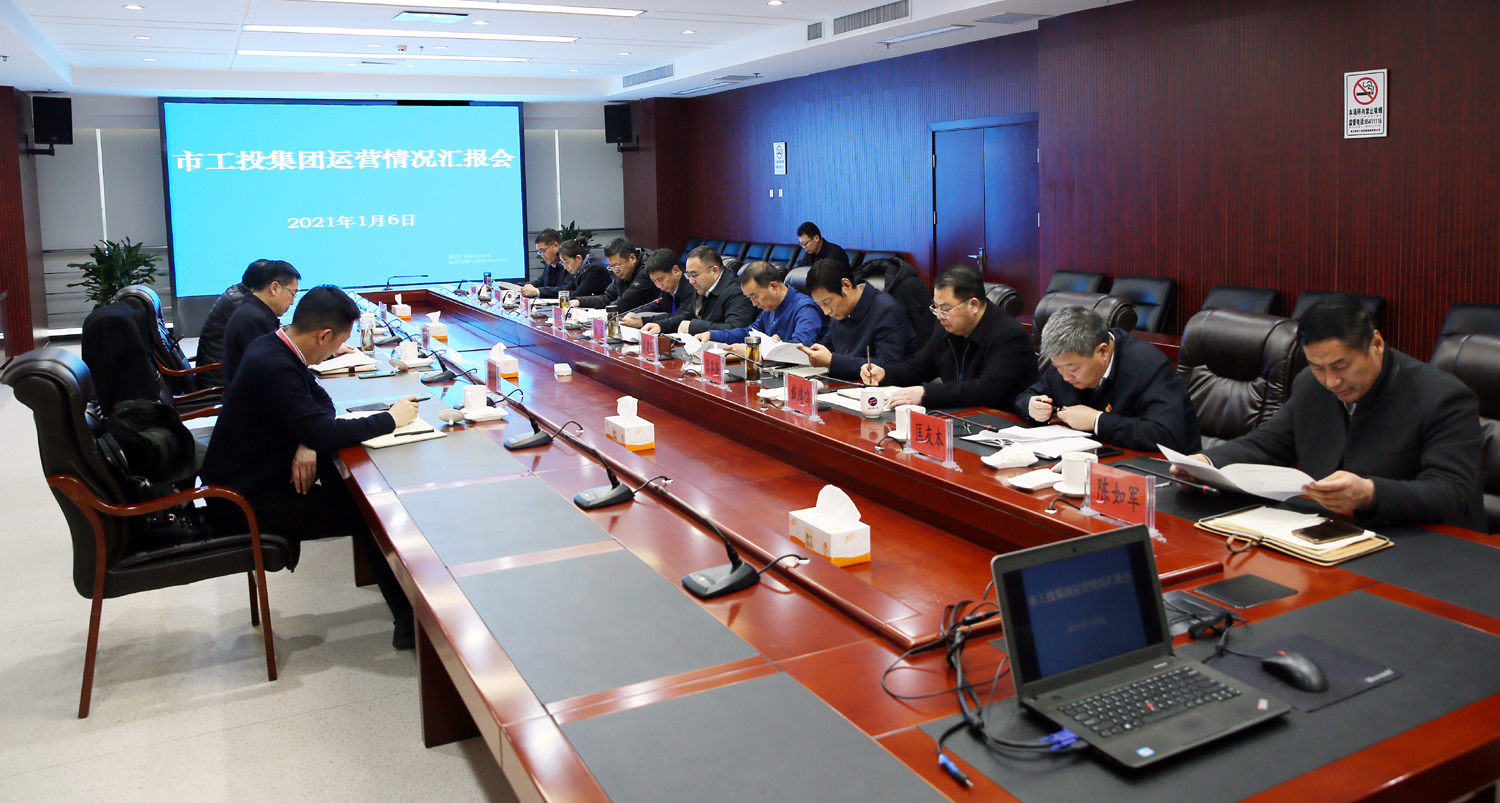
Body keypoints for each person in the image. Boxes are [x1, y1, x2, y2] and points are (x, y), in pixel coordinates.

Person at [201, 286, 420, 649]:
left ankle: (406, 612)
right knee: (369, 512)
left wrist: (308, 440)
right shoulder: (274, 364)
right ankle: (408, 619)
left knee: (347, 482)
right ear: (324, 335)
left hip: (255, 481)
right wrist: (391, 419)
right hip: (244, 502)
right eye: (338, 343)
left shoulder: (274, 346)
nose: (335, 352)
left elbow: (320, 401)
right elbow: (322, 427)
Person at [1178, 295, 1484, 530]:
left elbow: (1454, 494)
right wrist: (1205, 463)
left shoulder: (1442, 397)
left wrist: (1370, 493)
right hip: (1333, 532)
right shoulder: (1311, 385)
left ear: (1376, 344)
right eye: (1318, 367)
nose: (1331, 381)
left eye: (1341, 366)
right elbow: (1269, 443)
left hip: (1423, 544)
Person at [1017, 306, 1201, 453]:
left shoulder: (1148, 366)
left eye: (1073, 369)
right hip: (1091, 459)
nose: (1065, 376)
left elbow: (1165, 434)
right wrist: (1032, 407)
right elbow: (1025, 397)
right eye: (1057, 367)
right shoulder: (1065, 359)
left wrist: (1097, 421)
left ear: (1103, 351)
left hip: (1156, 470)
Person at [862, 265, 1035, 410]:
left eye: (945, 309)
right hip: (962, 414)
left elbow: (987, 390)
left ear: (974, 305)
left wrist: (926, 393)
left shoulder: (1010, 335)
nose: (939, 316)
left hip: (1003, 423)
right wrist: (884, 373)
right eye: (936, 308)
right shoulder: (947, 328)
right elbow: (918, 368)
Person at [800, 259, 916, 382]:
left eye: (827, 302)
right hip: (845, 383)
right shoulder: (839, 310)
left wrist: (832, 361)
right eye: (820, 305)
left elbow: (887, 364)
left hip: (882, 388)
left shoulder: (887, 310)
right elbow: (826, 346)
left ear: (846, 285)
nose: (826, 311)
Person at [697, 261, 827, 356]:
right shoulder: (770, 306)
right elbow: (749, 333)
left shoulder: (806, 309)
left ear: (773, 287)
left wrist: (752, 351)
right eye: (750, 298)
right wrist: (711, 334)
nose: (754, 304)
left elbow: (799, 349)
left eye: (755, 296)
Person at [221, 260, 303, 386]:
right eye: (293, 293)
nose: (292, 302)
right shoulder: (255, 320)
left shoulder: (252, 310)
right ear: (274, 288)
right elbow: (273, 370)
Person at [642, 247, 756, 336]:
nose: (691, 281)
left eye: (694, 275)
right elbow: (688, 315)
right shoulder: (702, 286)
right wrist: (660, 326)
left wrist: (694, 326)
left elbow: (736, 329)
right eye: (688, 275)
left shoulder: (737, 291)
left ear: (715, 271)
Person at [196, 259, 267, 386]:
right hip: (218, 380)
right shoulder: (242, 304)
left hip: (217, 371)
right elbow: (264, 346)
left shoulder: (237, 292)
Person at [574, 237, 658, 312]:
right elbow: (607, 297)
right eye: (611, 267)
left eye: (617, 265)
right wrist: (579, 301)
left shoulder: (647, 271)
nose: (615, 270)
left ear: (632, 258)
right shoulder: (623, 272)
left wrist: (604, 311)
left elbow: (624, 304)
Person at [619, 250, 693, 328]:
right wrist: (635, 314)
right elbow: (656, 305)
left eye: (660, 279)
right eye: (654, 281)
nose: (658, 285)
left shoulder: (692, 287)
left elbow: (679, 317)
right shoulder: (668, 287)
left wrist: (643, 321)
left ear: (676, 271)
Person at [523, 237, 609, 300]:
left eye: (566, 262)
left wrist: (538, 292)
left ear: (578, 258)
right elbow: (566, 290)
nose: (565, 267)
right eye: (563, 263)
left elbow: (578, 295)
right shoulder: (581, 268)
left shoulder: (594, 269)